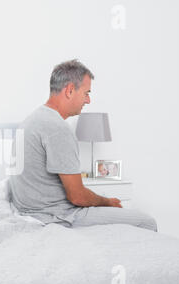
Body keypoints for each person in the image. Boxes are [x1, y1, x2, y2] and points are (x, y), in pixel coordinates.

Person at [9, 59, 157, 232]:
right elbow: (77, 197)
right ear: (70, 90)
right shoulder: (57, 128)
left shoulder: (32, 119)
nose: (88, 100)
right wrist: (108, 202)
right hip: (58, 216)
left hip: (31, 211)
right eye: (86, 93)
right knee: (147, 222)